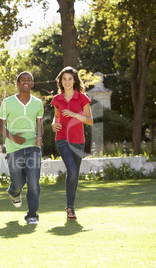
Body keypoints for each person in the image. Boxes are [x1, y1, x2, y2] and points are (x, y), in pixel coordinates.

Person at [0, 71, 44, 225]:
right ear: (17, 84)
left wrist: (39, 137)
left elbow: (39, 124)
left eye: (29, 80)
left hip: (33, 147)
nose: (26, 81)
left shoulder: (37, 103)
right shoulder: (7, 102)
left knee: (33, 182)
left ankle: (32, 214)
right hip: (13, 148)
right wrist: (13, 137)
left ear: (32, 84)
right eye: (22, 79)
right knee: (17, 182)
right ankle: (14, 192)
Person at [51, 66, 93, 220]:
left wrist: (75, 114)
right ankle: (71, 208)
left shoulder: (82, 98)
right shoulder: (57, 99)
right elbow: (57, 118)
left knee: (74, 173)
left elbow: (90, 121)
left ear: (74, 80)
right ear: (60, 81)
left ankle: (70, 205)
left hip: (78, 141)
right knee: (73, 171)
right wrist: (53, 124)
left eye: (70, 79)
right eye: (64, 79)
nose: (67, 82)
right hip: (62, 138)